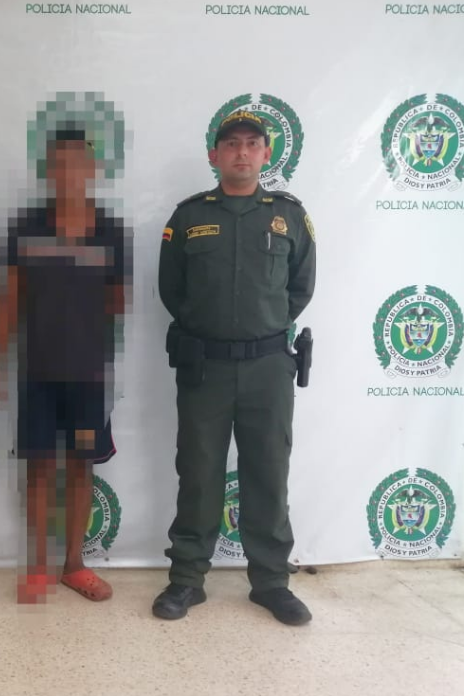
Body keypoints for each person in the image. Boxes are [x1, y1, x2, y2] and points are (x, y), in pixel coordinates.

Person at [154, 110, 317, 625]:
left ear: (266, 154)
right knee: (198, 473)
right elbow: (171, 289)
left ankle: (271, 583)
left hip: (269, 367)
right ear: (215, 155)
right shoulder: (188, 217)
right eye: (231, 144)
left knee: (268, 472)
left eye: (251, 144)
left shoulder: (289, 216)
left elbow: (301, 288)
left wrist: (263, 327)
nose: (241, 152)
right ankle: (187, 579)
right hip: (205, 367)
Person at [0, 126, 131, 604]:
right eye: (59, 162)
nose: (69, 171)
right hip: (37, 374)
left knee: (80, 468)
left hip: (88, 377)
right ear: (48, 171)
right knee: (38, 470)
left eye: (78, 162)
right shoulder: (26, 228)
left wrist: (79, 326)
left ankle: (74, 565)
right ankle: (37, 567)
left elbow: (118, 302)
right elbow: (11, 300)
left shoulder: (112, 232)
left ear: (92, 169)